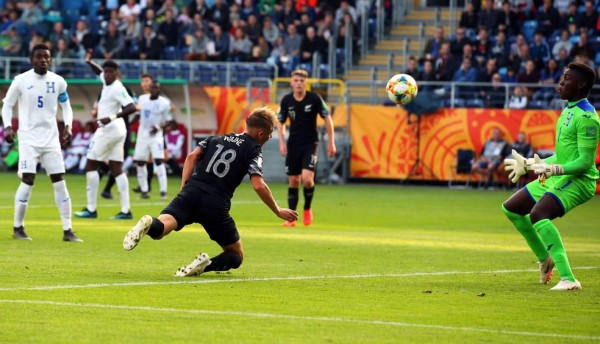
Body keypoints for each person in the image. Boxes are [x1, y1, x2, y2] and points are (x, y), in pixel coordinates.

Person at [122, 107, 298, 276]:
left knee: (161, 229)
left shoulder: (216, 138)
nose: (269, 138)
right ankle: (205, 265)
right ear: (261, 133)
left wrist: (184, 187)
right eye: (269, 134)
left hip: (192, 191)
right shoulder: (253, 149)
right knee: (236, 256)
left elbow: (191, 157)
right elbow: (258, 185)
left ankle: (149, 222)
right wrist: (277, 210)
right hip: (216, 204)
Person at [502, 62, 599, 291]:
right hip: (560, 176)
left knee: (539, 213)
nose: (561, 82)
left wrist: (553, 170)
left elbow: (585, 163)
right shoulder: (568, 110)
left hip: (580, 180)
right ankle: (545, 258)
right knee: (512, 208)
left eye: (566, 79)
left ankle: (568, 279)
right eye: (562, 78)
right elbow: (564, 155)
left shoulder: (587, 117)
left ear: (581, 84)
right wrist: (530, 164)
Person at [1, 43, 82, 242]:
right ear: (32, 59)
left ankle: (67, 230)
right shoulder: (21, 80)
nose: (43, 60)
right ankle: (18, 227)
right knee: (28, 179)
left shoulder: (58, 81)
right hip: (28, 138)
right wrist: (8, 126)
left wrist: (68, 126)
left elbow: (66, 106)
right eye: (39, 56)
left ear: (51, 59)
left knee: (59, 182)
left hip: (51, 140)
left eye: (46, 56)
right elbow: (7, 105)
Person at [74, 50, 136, 220]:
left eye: (110, 73)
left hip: (109, 129)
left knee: (90, 165)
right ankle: (126, 211)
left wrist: (112, 117)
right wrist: (89, 62)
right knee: (117, 169)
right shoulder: (105, 79)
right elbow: (98, 71)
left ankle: (91, 209)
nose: (107, 75)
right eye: (105, 72)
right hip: (118, 131)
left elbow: (131, 107)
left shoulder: (117, 87)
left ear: (117, 75)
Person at [277, 69, 336, 227]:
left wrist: (331, 142)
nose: (299, 83)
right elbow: (280, 122)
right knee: (294, 180)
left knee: (307, 179)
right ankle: (291, 218)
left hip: (311, 143)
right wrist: (281, 143)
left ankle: (307, 209)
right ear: (291, 82)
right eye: (296, 80)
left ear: (306, 83)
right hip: (293, 144)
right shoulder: (286, 100)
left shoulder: (314, 98)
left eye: (302, 81)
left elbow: (327, 118)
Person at [134, 80, 174, 199]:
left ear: (159, 90)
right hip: (142, 134)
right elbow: (138, 114)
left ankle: (163, 191)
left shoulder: (164, 103)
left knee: (159, 161)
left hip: (156, 135)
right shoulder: (142, 99)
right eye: (153, 88)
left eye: (157, 88)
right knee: (140, 162)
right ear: (150, 89)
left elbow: (169, 121)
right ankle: (144, 190)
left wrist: (158, 127)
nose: (156, 90)